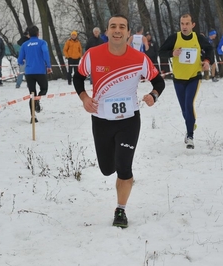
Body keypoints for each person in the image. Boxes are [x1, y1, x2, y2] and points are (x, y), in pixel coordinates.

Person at [73, 14, 165, 228]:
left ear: (128, 33)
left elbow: (159, 81)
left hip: (129, 120)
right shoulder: (92, 55)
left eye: (122, 27)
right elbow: (78, 77)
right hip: (101, 120)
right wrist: (85, 98)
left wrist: (153, 96)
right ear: (106, 32)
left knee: (124, 167)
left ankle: (121, 210)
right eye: (113, 26)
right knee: (107, 169)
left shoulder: (139, 58)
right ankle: (119, 170)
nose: (117, 30)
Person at [159, 13, 213, 149]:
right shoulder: (174, 38)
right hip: (178, 78)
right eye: (182, 23)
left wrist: (207, 61)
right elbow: (160, 52)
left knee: (189, 104)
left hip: (194, 77)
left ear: (192, 25)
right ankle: (191, 123)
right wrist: (172, 53)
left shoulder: (198, 38)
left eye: (187, 23)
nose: (184, 26)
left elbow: (209, 49)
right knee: (184, 109)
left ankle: (190, 136)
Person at [17, 25, 52, 123]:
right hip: (40, 71)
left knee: (32, 94)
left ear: (28, 35)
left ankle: (33, 116)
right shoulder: (42, 43)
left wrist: (23, 63)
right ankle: (37, 101)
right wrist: (48, 66)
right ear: (38, 33)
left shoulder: (25, 45)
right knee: (44, 89)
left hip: (29, 73)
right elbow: (45, 53)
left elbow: (20, 60)